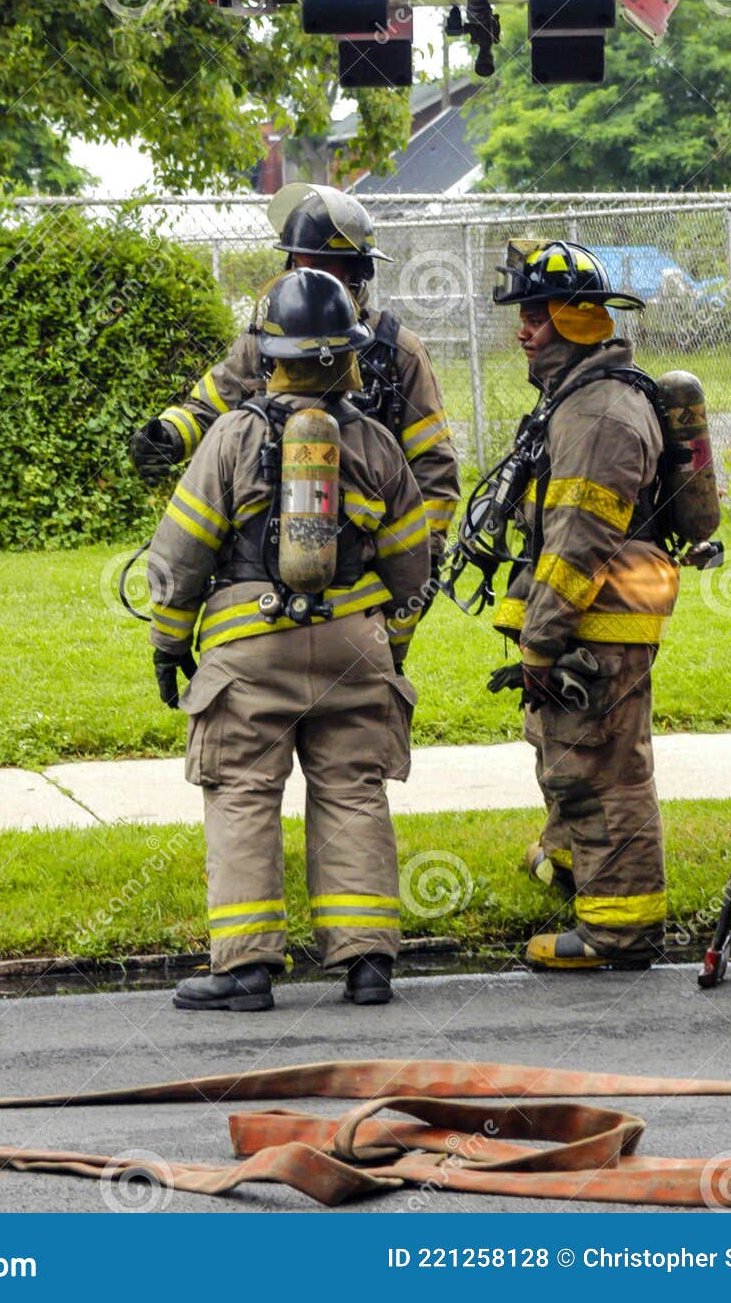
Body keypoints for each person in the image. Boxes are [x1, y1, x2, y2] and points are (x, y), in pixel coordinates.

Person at [145, 268, 431, 1012]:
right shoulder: (373, 444)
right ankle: (366, 961)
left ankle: (244, 971)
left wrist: (170, 646)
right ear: (348, 355)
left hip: (250, 650)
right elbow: (412, 565)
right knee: (351, 791)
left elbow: (181, 555)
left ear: (269, 353)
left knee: (241, 793)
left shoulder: (231, 437)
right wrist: (385, 640)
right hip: (353, 650)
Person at [489, 240, 679, 972]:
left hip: (595, 620)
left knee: (602, 769)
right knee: (565, 749)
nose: (522, 330)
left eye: (534, 316)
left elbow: (575, 546)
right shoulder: (576, 397)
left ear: (575, 320)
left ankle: (618, 933)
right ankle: (572, 864)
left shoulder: (599, 413)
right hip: (588, 620)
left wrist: (540, 641)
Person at [130, 183, 459, 568]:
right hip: (267, 538)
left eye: (319, 266)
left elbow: (434, 463)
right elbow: (210, 404)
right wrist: (168, 435)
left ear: (358, 271)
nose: (303, 279)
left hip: (363, 550)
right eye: (298, 265)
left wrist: (423, 554)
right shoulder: (266, 340)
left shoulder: (399, 352)